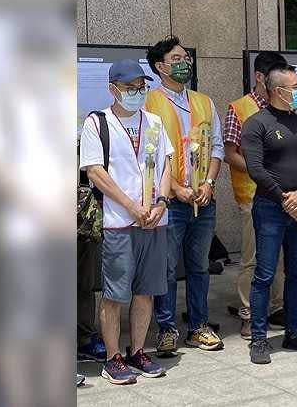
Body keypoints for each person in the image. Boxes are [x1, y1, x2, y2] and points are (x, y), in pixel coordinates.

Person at [79, 59, 172, 384]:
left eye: (141, 88)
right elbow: (95, 172)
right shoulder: (97, 123)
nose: (137, 93)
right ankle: (112, 357)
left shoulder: (155, 122)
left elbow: (165, 165)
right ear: (113, 90)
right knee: (115, 294)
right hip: (118, 222)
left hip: (153, 222)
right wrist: (132, 206)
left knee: (146, 291)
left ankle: (137, 351)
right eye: (130, 88)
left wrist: (161, 202)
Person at [145, 36, 224, 356]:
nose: (185, 63)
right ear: (160, 66)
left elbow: (216, 146)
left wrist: (208, 184)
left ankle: (198, 326)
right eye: (177, 58)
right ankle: (166, 328)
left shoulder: (204, 101)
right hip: (170, 201)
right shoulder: (149, 103)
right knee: (165, 269)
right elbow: (150, 153)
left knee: (199, 266)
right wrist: (175, 189)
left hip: (203, 200)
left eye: (187, 58)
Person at [223, 51, 297, 337]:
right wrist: (284, 197)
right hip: (260, 200)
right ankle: (253, 323)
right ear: (270, 83)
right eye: (295, 87)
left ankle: (286, 321)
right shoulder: (246, 114)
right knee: (258, 265)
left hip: (296, 206)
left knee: (291, 269)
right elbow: (248, 162)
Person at [241, 63, 297, 364]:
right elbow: (255, 169)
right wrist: (283, 198)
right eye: (295, 87)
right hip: (269, 208)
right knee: (264, 274)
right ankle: (259, 339)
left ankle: (292, 333)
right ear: (277, 90)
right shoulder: (257, 123)